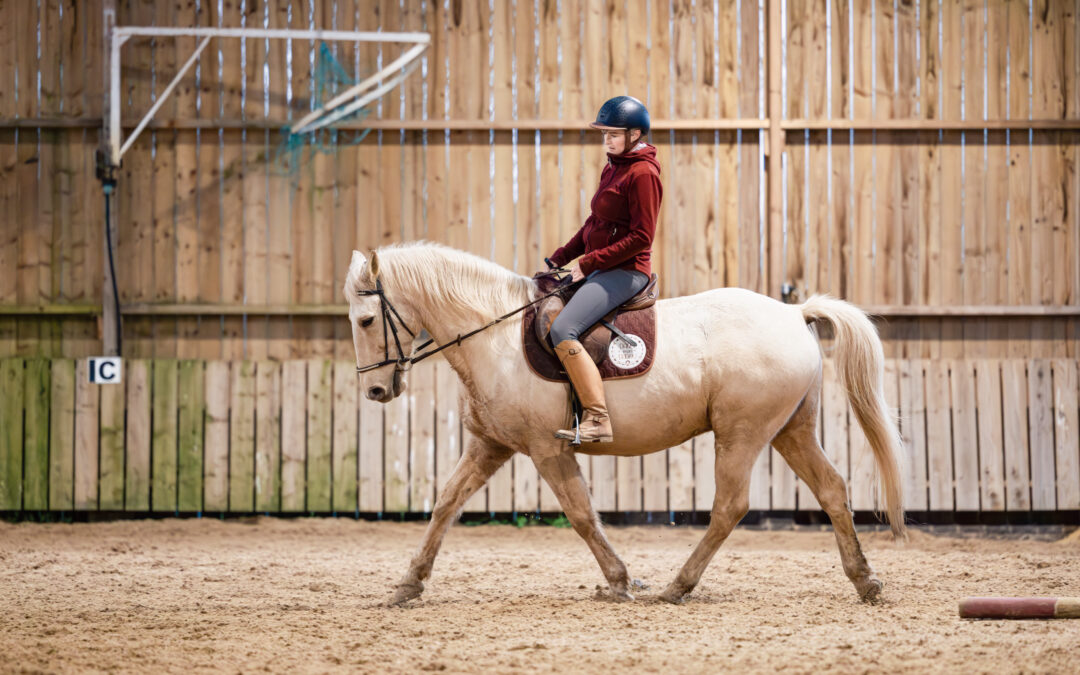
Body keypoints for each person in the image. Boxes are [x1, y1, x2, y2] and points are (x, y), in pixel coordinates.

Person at [541, 95, 662, 443]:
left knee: (563, 329)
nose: (606, 140)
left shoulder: (643, 174)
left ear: (636, 134)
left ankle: (597, 418)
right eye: (604, 133)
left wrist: (589, 263)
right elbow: (595, 222)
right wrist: (561, 257)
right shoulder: (613, 166)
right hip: (603, 268)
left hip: (627, 272)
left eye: (613, 133)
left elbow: (642, 237)